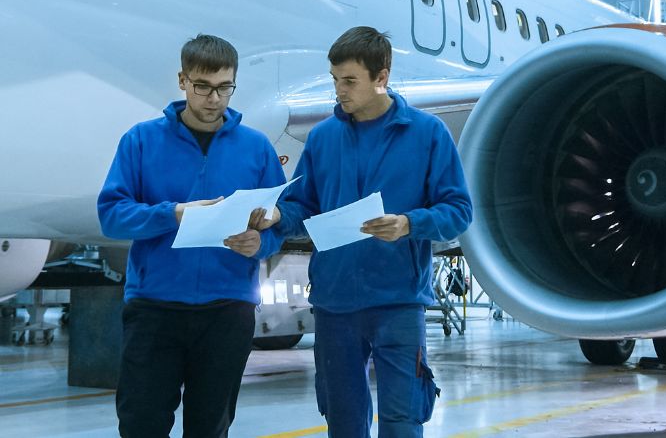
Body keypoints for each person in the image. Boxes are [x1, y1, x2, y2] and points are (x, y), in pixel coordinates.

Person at [263, 26, 473, 437]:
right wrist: (275, 217)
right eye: (335, 80)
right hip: (334, 303)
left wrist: (409, 224)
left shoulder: (428, 134)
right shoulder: (323, 137)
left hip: (397, 303)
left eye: (349, 81)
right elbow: (304, 205)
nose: (339, 90)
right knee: (343, 422)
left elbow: (459, 211)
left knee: (402, 420)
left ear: (382, 77)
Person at [97, 34, 286, 438]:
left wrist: (260, 244)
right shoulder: (141, 141)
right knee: (141, 425)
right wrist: (174, 213)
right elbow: (111, 216)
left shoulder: (256, 148)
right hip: (154, 309)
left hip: (227, 311)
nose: (214, 99)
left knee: (210, 429)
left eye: (224, 88)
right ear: (183, 80)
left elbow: (276, 224)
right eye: (203, 86)